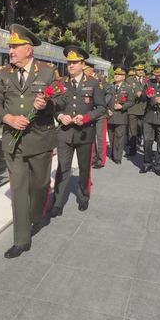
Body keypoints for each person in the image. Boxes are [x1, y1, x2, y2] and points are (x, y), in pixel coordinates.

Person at [0, 24, 60, 259]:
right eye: (10, 46)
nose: (10, 50)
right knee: (18, 189)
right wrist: (7, 118)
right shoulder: (4, 73)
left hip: (40, 140)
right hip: (13, 141)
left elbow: (60, 102)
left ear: (28, 49)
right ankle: (21, 239)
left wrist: (46, 105)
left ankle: (36, 215)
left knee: (39, 186)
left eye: (15, 47)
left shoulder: (48, 72)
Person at [51, 46, 106, 216]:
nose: (71, 65)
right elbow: (54, 106)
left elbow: (101, 107)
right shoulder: (61, 83)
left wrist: (87, 117)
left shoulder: (93, 83)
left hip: (84, 132)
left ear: (83, 64)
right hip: (65, 133)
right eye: (69, 63)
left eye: (75, 62)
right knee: (63, 168)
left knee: (84, 168)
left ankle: (83, 197)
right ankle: (58, 203)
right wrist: (60, 116)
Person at [106, 65, 135, 164]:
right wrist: (106, 110)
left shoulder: (128, 88)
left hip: (121, 116)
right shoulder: (109, 87)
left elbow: (131, 102)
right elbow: (104, 100)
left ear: (124, 76)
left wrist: (122, 107)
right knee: (111, 136)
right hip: (110, 116)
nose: (116, 76)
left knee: (119, 137)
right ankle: (113, 153)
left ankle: (117, 157)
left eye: (119, 74)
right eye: (116, 74)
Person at [126, 62, 147, 156]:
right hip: (133, 108)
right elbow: (127, 92)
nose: (140, 71)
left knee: (145, 130)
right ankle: (132, 148)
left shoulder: (148, 80)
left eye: (142, 70)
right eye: (138, 70)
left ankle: (147, 150)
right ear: (135, 71)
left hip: (145, 109)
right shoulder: (129, 80)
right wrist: (135, 94)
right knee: (132, 130)